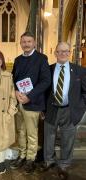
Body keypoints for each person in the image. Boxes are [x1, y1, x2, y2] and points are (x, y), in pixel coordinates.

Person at [10, 32, 51, 173]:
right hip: (19, 102)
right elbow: (13, 78)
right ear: (20, 43)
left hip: (33, 102)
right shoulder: (17, 59)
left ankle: (30, 159)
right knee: (20, 131)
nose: (26, 44)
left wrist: (30, 96)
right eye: (24, 42)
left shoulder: (41, 59)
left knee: (32, 133)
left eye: (29, 41)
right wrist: (15, 91)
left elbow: (46, 81)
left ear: (34, 43)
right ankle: (22, 155)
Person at [43, 42, 86, 176]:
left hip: (70, 110)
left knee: (68, 139)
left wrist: (81, 107)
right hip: (52, 109)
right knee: (49, 138)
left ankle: (64, 165)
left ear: (70, 53)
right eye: (59, 51)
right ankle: (49, 162)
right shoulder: (48, 69)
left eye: (65, 51)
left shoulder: (80, 70)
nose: (62, 54)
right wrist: (42, 109)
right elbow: (44, 91)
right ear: (55, 53)